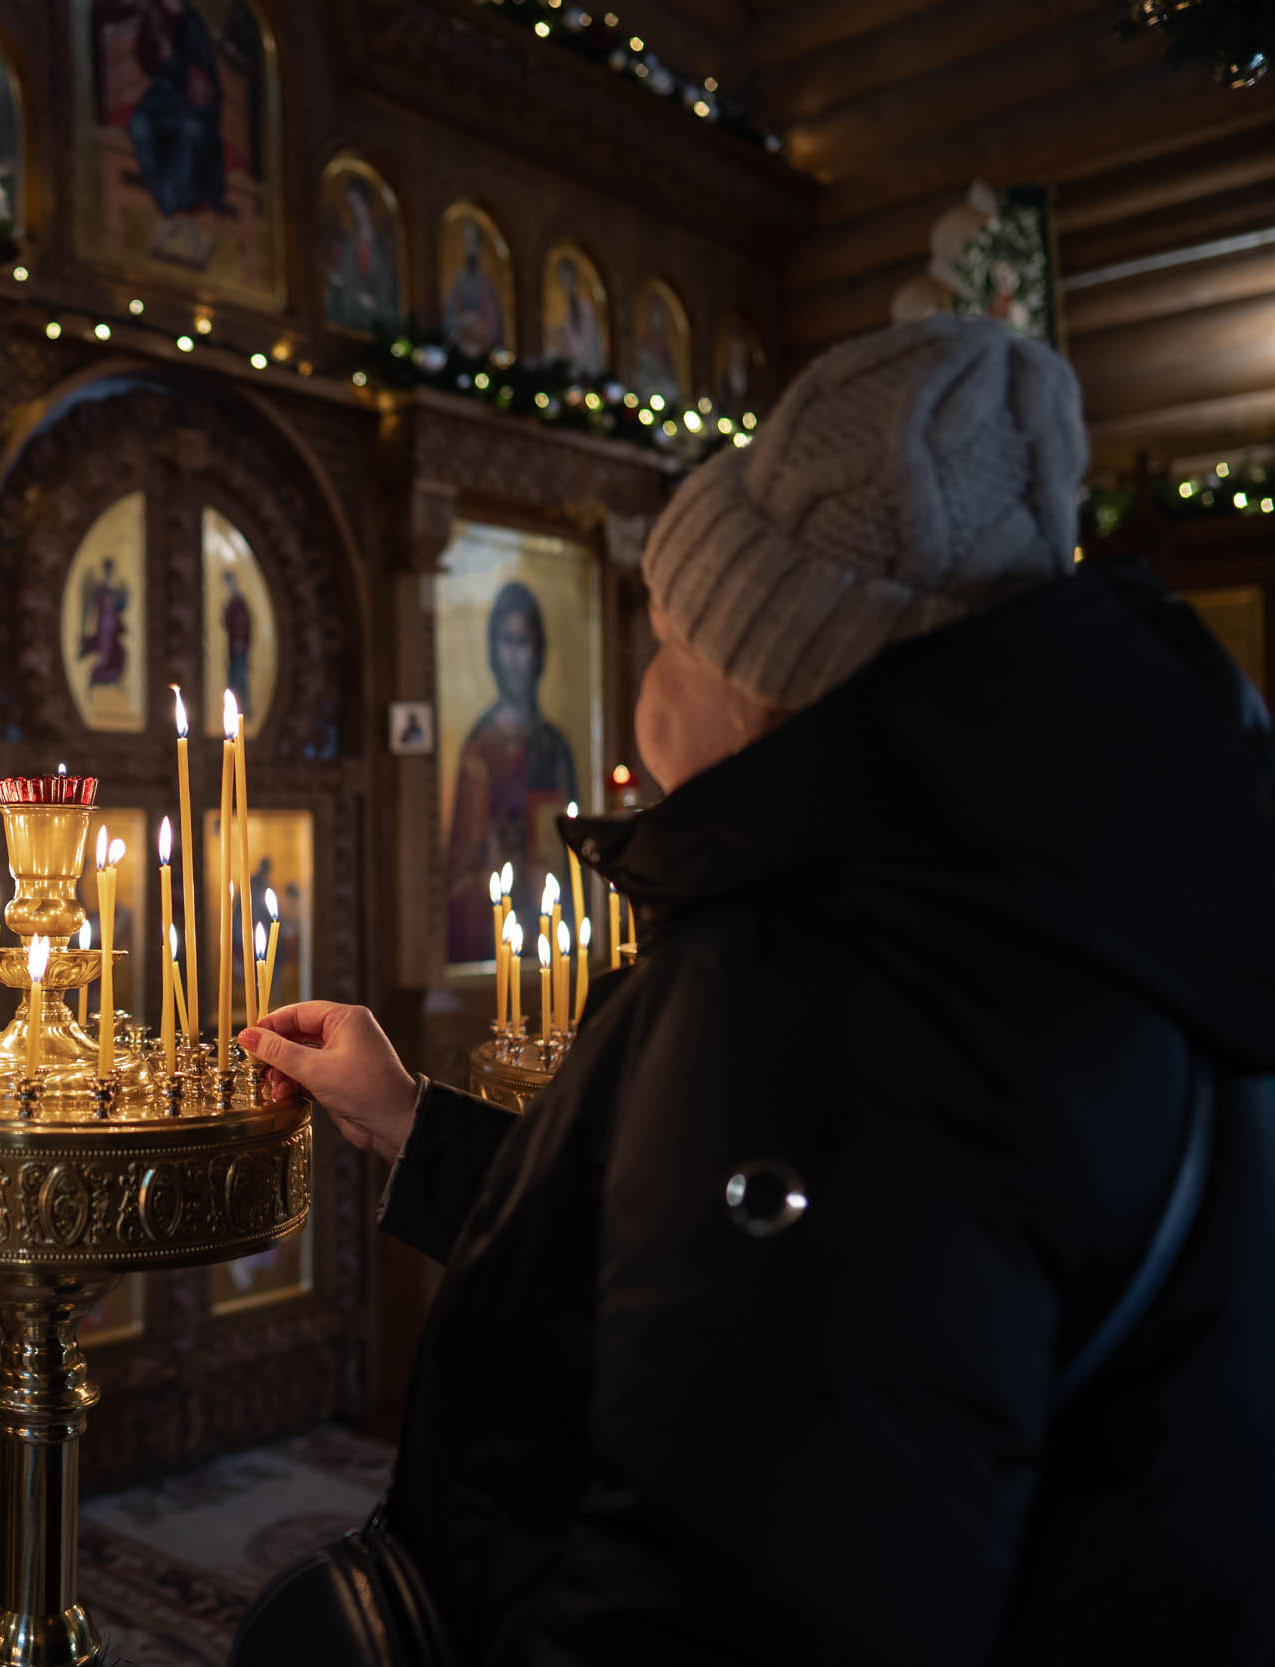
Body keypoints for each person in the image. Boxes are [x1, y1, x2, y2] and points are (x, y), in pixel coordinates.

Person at [238, 315, 1275, 1662]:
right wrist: (414, 1122)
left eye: (668, 632)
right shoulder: (1045, 887)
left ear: (767, 675)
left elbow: (730, 1594)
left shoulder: (833, 976)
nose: (644, 678)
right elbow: (737, 1275)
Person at [442, 583, 577, 961]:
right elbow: (461, 867)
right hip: (493, 928)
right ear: (492, 651)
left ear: (538, 651)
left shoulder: (554, 747)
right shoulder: (479, 748)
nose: (515, 656)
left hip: (550, 922)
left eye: (524, 642)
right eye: (507, 641)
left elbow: (573, 856)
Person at [122, 0, 226, 264]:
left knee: (192, 131)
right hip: (163, 96)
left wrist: (175, 59)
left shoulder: (191, 22)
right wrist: (158, 53)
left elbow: (203, 74)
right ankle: (174, 215)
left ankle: (170, 216)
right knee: (140, 124)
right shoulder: (153, 16)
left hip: (192, 100)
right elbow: (144, 56)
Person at [323, 176, 398, 334]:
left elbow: (390, 283)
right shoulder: (345, 244)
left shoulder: (384, 244)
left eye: (360, 203)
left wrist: (375, 302)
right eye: (352, 205)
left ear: (368, 204)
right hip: (350, 314)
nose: (357, 210)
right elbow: (340, 280)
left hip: (378, 317)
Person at [443, 219, 505, 358]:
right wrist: (464, 320)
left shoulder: (487, 281)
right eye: (467, 241)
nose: (469, 247)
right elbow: (449, 321)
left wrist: (478, 323)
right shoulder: (459, 280)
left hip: (486, 349)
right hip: (460, 348)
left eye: (473, 242)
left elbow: (495, 325)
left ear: (480, 246)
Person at [79, 556, 132, 689]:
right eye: (108, 571)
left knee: (118, 652)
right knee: (105, 652)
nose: (110, 574)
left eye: (111, 571)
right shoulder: (100, 591)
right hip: (103, 626)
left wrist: (123, 596)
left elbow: (120, 606)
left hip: (112, 626)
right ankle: (101, 675)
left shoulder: (114, 592)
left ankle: (113, 677)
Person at [545, 254, 603, 374]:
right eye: (562, 277)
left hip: (586, 370)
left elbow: (586, 344)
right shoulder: (557, 308)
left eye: (567, 276)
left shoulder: (585, 307)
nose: (565, 281)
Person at [221, 573, 253, 708]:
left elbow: (242, 623)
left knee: (239, 678)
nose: (228, 586)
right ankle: (238, 707)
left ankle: (243, 708)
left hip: (239, 647)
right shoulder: (233, 602)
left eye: (229, 583)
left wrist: (240, 640)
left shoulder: (238, 602)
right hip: (234, 648)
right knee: (234, 680)